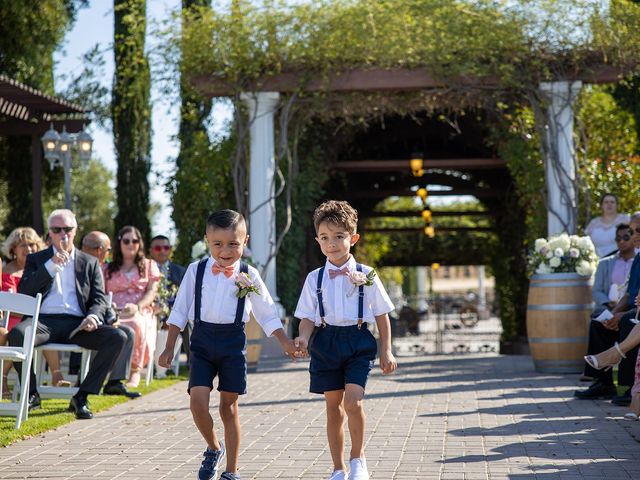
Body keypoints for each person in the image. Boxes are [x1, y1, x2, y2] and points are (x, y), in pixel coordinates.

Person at [157, 209, 298, 480]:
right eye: (218, 244)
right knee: (197, 403)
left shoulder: (249, 274)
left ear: (245, 242)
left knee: (228, 407)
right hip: (201, 342)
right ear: (207, 240)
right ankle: (213, 447)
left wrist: (285, 342)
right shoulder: (195, 271)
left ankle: (232, 471)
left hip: (233, 343)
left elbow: (266, 312)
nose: (225, 250)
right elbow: (180, 311)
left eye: (233, 243)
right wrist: (169, 346)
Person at [293, 200, 397, 480]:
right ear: (317, 240)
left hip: (358, 342)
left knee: (353, 403)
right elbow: (306, 317)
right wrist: (302, 338)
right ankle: (338, 468)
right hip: (326, 342)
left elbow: (383, 314)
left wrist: (386, 350)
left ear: (353, 238)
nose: (332, 244)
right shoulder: (314, 279)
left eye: (339, 237)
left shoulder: (367, 274)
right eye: (325, 238)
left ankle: (357, 459)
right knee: (333, 408)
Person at [9, 209, 127, 419]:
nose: (63, 234)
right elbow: (25, 291)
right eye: (57, 229)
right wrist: (51, 264)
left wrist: (92, 317)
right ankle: (32, 393)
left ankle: (82, 396)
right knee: (17, 334)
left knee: (118, 337)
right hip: (43, 322)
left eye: (68, 229)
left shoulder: (89, 262)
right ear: (50, 233)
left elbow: (99, 299)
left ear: (75, 231)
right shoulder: (37, 259)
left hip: (77, 324)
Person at [0, 227, 69, 395]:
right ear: (13, 249)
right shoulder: (6, 271)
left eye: (32, 245)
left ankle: (56, 374)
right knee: (16, 333)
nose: (28, 249)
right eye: (23, 245)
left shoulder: (42, 270)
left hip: (34, 317)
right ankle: (2, 378)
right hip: (12, 318)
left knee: (40, 327)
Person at [575, 223, 638, 403]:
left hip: (635, 310)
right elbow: (626, 293)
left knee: (628, 321)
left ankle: (628, 387)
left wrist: (621, 314)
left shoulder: (637, 259)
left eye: (628, 236)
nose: (623, 241)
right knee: (598, 321)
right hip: (616, 307)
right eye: (619, 238)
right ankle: (602, 382)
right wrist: (613, 312)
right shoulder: (617, 262)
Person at [81, 231, 140, 398]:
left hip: (95, 316)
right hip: (82, 320)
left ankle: (114, 382)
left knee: (128, 332)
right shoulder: (82, 265)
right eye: (108, 250)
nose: (109, 254)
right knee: (120, 334)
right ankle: (90, 384)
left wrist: (110, 315)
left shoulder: (97, 266)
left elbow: (98, 298)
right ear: (100, 250)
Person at [104, 226, 160, 388]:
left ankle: (134, 370)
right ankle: (109, 371)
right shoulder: (107, 268)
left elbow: (151, 291)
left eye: (135, 241)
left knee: (136, 323)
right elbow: (102, 292)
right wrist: (110, 306)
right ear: (119, 243)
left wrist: (138, 306)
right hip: (113, 310)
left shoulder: (149, 266)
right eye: (126, 241)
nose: (130, 244)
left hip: (139, 309)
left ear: (140, 243)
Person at [150, 235, 187, 376]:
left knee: (189, 324)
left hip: (173, 314)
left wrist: (170, 317)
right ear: (151, 251)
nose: (162, 251)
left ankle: (194, 365)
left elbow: (184, 299)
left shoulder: (181, 271)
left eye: (166, 247)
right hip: (151, 313)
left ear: (170, 249)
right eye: (158, 248)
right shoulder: (144, 270)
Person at [585, 193, 629, 258]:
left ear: (617, 205)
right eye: (606, 202)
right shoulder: (594, 223)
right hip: (596, 261)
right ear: (601, 205)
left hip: (620, 260)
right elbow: (586, 242)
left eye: (612, 202)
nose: (609, 204)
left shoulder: (625, 220)